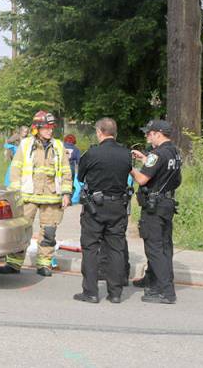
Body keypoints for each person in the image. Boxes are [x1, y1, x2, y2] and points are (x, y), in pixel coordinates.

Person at [0, 111, 73, 277]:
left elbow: (67, 172)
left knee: (49, 232)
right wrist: (16, 191)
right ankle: (13, 263)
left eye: (51, 128)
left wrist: (66, 193)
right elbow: (16, 168)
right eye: (46, 128)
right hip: (28, 196)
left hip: (52, 197)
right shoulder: (25, 145)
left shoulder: (59, 146)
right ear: (36, 129)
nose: (49, 131)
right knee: (21, 230)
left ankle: (44, 265)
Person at [73, 118, 132, 304]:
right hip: (118, 206)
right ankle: (115, 293)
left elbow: (80, 176)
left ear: (100, 132)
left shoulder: (92, 153)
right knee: (116, 248)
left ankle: (90, 292)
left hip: (95, 207)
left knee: (91, 248)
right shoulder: (126, 154)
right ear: (115, 132)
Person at [130, 120, 183, 304]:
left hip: (154, 206)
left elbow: (143, 179)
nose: (147, 136)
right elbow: (174, 178)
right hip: (167, 203)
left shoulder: (157, 154)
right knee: (165, 245)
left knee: (154, 247)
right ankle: (152, 280)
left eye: (149, 133)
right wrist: (145, 160)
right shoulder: (174, 152)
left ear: (158, 134)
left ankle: (166, 292)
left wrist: (130, 167)